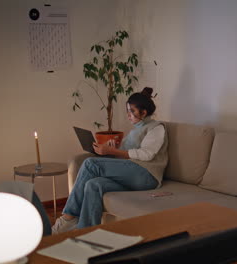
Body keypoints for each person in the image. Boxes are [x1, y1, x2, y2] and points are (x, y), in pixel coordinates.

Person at [51, 87, 168, 234]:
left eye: (132, 111)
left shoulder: (157, 128)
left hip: (147, 175)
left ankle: (68, 217)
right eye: (127, 111)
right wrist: (112, 149)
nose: (128, 115)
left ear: (144, 113)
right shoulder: (135, 130)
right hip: (133, 175)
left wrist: (113, 151)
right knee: (93, 184)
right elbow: (125, 155)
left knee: (90, 163)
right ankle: (86, 233)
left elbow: (147, 154)